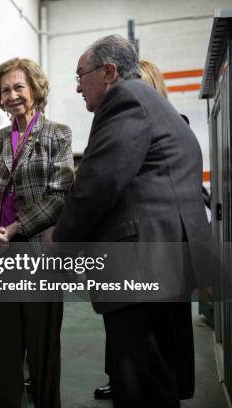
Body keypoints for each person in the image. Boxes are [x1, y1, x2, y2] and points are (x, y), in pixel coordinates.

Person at [52, 34, 210, 407]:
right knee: (157, 378)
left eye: (81, 75)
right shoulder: (158, 106)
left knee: (140, 384)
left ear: (109, 72)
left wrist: (62, 239)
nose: (78, 87)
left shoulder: (125, 100)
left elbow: (99, 182)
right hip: (165, 259)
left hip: (141, 264)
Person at [0, 57, 74, 408]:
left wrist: (14, 227)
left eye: (18, 87)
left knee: (43, 346)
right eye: (5, 90)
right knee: (8, 342)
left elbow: (59, 197)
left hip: (38, 253)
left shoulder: (57, 134)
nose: (12, 95)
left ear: (34, 89)